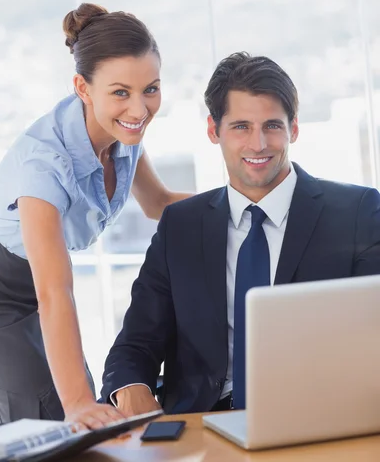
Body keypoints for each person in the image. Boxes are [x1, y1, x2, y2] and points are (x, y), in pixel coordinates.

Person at [101, 51, 380, 416]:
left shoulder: (358, 212)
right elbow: (136, 343)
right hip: (204, 422)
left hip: (319, 417)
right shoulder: (180, 227)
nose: (258, 144)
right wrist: (132, 388)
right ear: (213, 131)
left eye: (272, 126)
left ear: (294, 128)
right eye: (241, 127)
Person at [0, 3, 192, 428]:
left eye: (150, 89)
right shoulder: (42, 165)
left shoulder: (122, 132)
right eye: (120, 92)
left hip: (39, 280)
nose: (139, 109)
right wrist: (76, 403)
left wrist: (241, 202)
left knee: (80, 416)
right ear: (82, 87)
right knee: (54, 420)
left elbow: (158, 202)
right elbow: (55, 294)